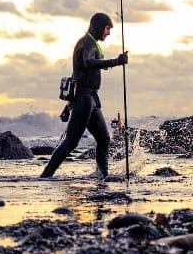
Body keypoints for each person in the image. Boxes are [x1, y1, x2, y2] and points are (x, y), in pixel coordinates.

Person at [39, 12, 128, 181]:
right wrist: (116, 61)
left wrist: (68, 105)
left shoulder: (90, 43)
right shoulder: (86, 43)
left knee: (104, 139)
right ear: (99, 27)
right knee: (71, 141)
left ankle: (102, 176)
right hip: (84, 99)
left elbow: (77, 74)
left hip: (90, 98)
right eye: (107, 28)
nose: (108, 33)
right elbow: (88, 63)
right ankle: (45, 176)